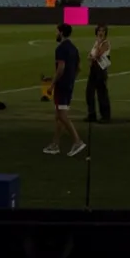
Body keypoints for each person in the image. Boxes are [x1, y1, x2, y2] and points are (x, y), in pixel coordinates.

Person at [43, 23, 85, 157]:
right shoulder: (74, 48)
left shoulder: (60, 49)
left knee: (61, 115)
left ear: (61, 33)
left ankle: (77, 141)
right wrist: (72, 78)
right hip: (69, 84)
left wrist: (52, 84)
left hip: (62, 85)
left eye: (56, 32)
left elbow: (61, 68)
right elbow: (79, 67)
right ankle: (55, 144)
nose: (56, 34)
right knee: (59, 115)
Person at [85, 23, 112, 123]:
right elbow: (90, 56)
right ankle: (91, 114)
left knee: (102, 93)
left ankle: (105, 116)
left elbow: (97, 55)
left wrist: (93, 56)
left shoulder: (105, 43)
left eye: (103, 31)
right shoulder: (96, 42)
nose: (101, 33)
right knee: (89, 92)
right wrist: (92, 57)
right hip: (94, 69)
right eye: (99, 31)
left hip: (101, 69)